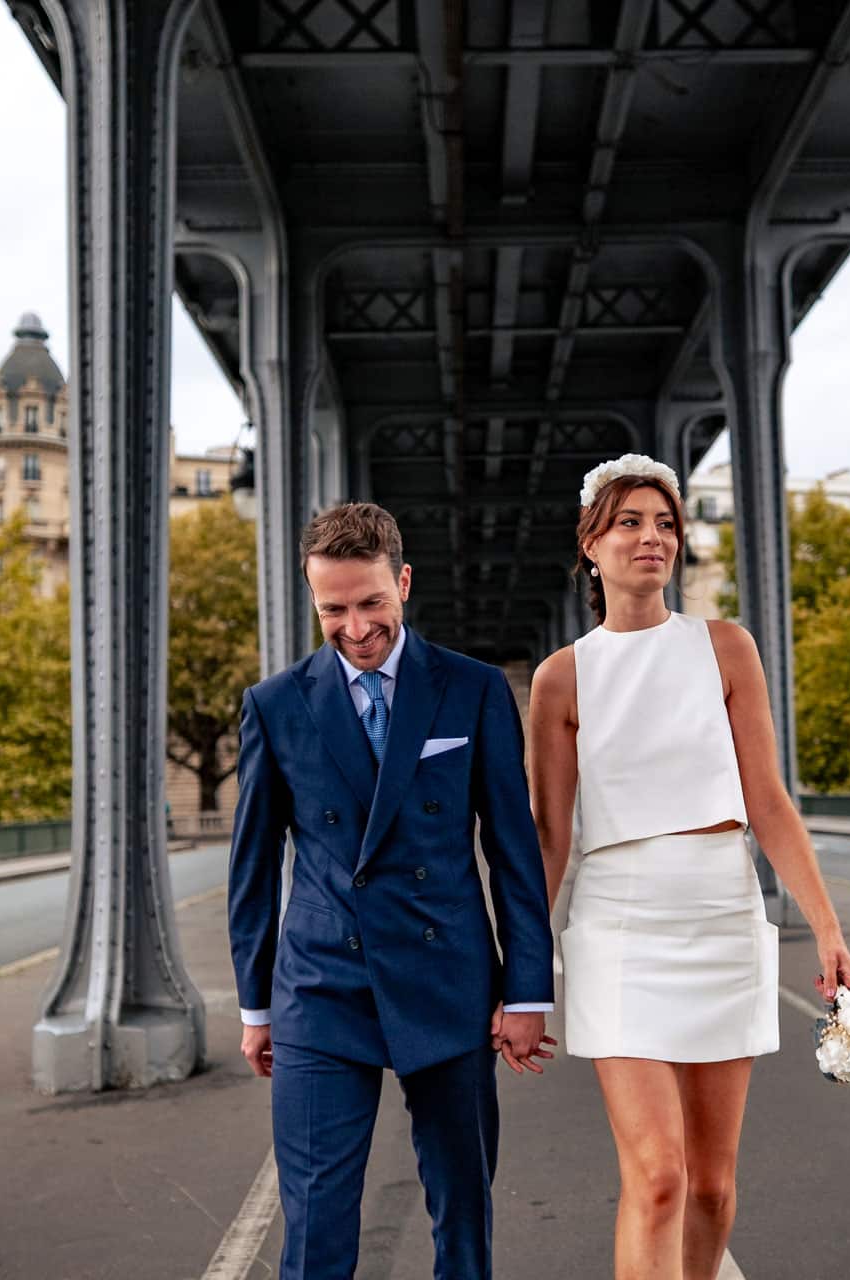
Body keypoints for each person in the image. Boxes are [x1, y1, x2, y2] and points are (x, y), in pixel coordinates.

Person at [527, 455, 850, 1280]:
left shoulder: (726, 648)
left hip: (722, 916)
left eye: (666, 523)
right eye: (630, 522)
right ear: (591, 545)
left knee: (712, 1187)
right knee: (662, 1178)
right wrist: (521, 974)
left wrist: (827, 929)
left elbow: (771, 802)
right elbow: (548, 836)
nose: (652, 538)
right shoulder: (559, 677)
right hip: (617, 926)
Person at [227, 501, 555, 1280]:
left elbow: (513, 849)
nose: (355, 626)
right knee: (313, 1228)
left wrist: (528, 990)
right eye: (333, 609)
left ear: (402, 583)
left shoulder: (472, 690)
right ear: (314, 602)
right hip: (321, 984)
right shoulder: (275, 705)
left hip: (448, 981)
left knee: (464, 1213)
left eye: (371, 602)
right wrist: (256, 1005)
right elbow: (251, 863)